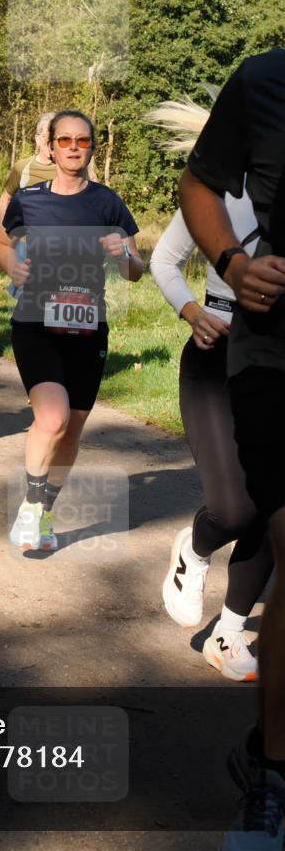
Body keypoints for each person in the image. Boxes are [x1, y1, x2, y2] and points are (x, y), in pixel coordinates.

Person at [177, 48, 285, 850]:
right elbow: (184, 211)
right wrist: (230, 273)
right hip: (255, 350)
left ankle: (232, 627)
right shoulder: (265, 83)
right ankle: (273, 773)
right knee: (248, 515)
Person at [149, 100, 272, 683]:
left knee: (275, 507)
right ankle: (194, 550)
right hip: (216, 352)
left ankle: (229, 632)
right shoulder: (223, 190)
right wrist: (192, 310)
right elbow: (165, 260)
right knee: (234, 508)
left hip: (277, 360)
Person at [0, 110, 142, 552]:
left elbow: (135, 270)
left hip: (87, 325)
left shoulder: (107, 202)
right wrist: (12, 266)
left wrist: (122, 255)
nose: (74, 147)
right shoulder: (30, 198)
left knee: (73, 429)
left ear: (92, 147)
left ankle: (44, 510)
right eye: (65, 140)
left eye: (82, 140)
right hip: (36, 321)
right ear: (51, 147)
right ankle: (29, 508)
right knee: (53, 417)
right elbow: (2, 241)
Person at [0, 111, 56, 232]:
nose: (51, 142)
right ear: (37, 139)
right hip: (24, 241)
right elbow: (5, 198)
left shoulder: (67, 169)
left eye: (54, 136)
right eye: (46, 136)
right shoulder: (22, 167)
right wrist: (0, 229)